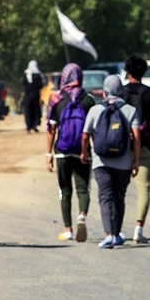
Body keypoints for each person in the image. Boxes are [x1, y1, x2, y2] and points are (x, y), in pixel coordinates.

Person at [81, 75, 140, 248]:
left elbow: (85, 135)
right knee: (119, 197)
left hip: (102, 163)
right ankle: (116, 233)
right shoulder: (130, 110)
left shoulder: (95, 110)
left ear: (104, 91)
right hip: (123, 163)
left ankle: (108, 236)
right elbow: (136, 138)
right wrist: (135, 161)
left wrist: (84, 152)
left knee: (105, 197)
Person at [119, 54, 150, 243]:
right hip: (145, 145)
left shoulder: (120, 93)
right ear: (144, 72)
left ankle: (116, 228)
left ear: (127, 71)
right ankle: (138, 229)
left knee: (119, 190)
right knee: (144, 189)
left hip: (122, 147)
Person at [46, 63, 95, 242]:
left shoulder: (57, 100)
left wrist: (48, 154)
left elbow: (51, 129)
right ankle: (82, 215)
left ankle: (68, 229)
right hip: (82, 152)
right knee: (83, 189)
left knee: (64, 191)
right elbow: (92, 129)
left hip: (62, 151)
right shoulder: (88, 100)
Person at [21, 60, 46, 132]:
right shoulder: (38, 74)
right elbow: (40, 85)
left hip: (27, 96)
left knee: (28, 111)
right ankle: (34, 126)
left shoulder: (25, 74)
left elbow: (23, 84)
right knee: (36, 110)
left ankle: (29, 126)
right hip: (35, 96)